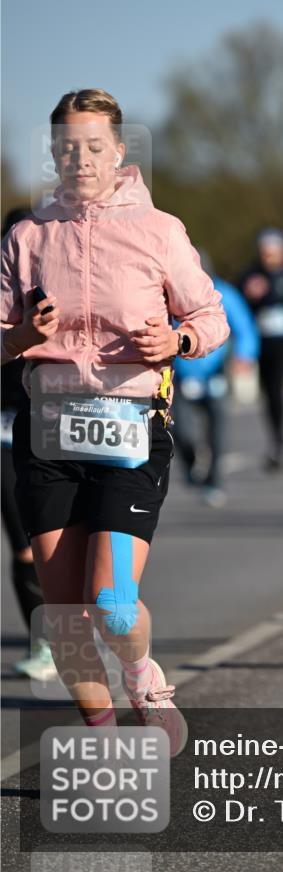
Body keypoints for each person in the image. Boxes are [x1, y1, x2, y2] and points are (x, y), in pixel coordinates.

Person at [1, 89, 228, 752]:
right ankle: (107, 744)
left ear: (119, 151)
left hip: (129, 427)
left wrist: (178, 341)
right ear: (54, 153)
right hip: (47, 434)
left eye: (94, 146)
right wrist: (21, 337)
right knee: (64, 620)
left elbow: (209, 315)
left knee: (112, 603)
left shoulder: (159, 231)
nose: (81, 158)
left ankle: (140, 675)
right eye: (68, 146)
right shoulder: (28, 236)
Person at [1, 208, 57, 680]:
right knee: (24, 544)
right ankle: (45, 645)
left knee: (55, 543)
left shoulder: (59, 295)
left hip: (51, 427)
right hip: (6, 434)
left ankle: (70, 634)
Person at [172, 250, 259, 508]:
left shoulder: (224, 295)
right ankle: (190, 463)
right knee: (180, 429)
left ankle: (215, 481)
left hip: (214, 374)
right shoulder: (171, 293)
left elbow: (244, 328)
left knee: (217, 430)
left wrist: (244, 356)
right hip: (180, 374)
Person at [238, 229, 283, 471]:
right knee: (268, 391)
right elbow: (238, 302)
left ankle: (280, 440)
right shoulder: (251, 275)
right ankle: (276, 437)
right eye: (265, 254)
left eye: (274, 254)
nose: (269, 259)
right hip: (261, 340)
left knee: (277, 388)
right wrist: (249, 294)